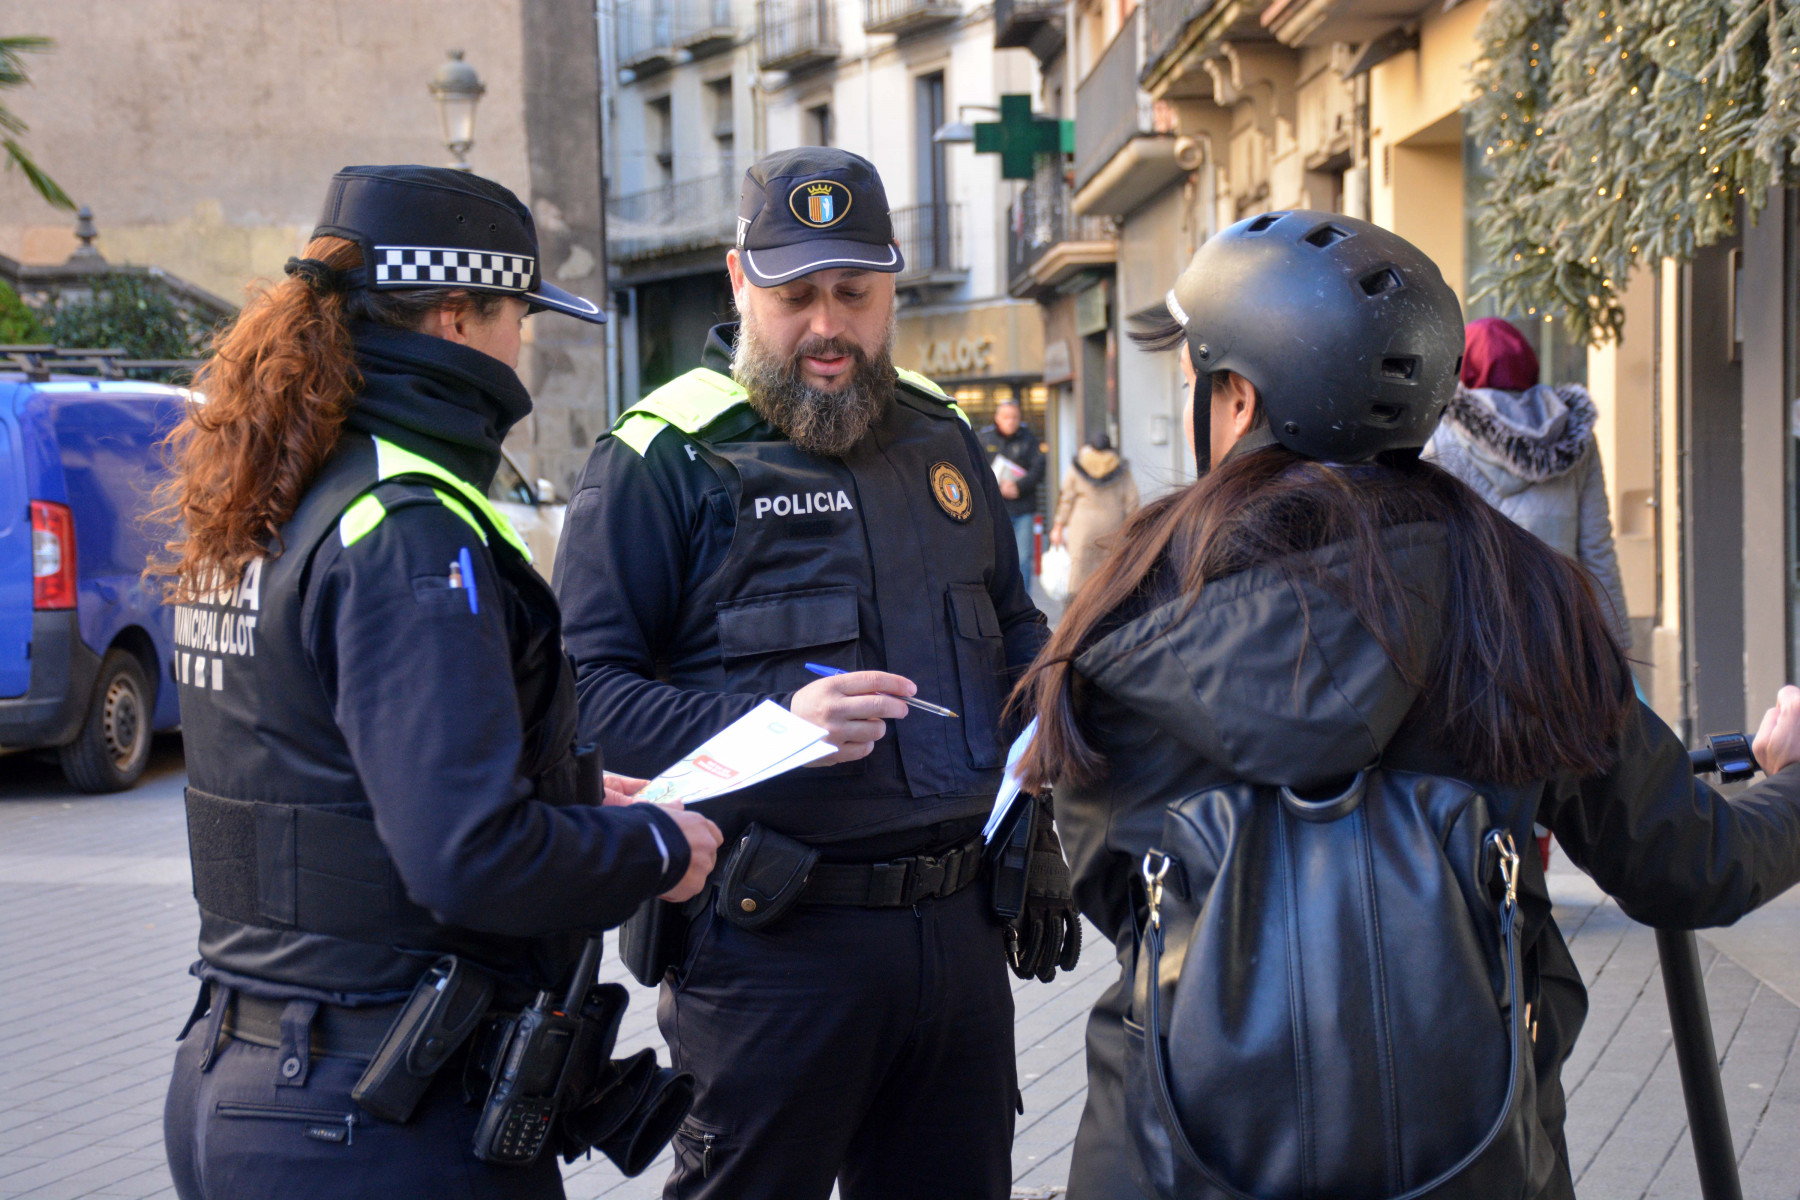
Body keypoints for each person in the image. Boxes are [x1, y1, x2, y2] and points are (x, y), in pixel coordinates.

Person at [1009, 211, 1800, 1200]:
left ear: (1240, 398)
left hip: (1168, 1157)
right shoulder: (1525, 602)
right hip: (1477, 1158)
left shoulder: (1127, 608)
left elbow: (1112, 884)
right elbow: (1689, 868)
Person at [154, 165, 722, 1200]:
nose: (523, 348)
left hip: (246, 1078)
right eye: (520, 318)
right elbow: (468, 856)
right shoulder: (405, 526)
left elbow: (334, 777)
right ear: (459, 315)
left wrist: (567, 799)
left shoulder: (283, 497)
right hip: (373, 1113)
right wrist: (655, 847)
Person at [554, 147, 1075, 1200]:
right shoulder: (661, 458)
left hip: (961, 933)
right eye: (795, 297)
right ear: (739, 283)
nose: (827, 326)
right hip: (772, 948)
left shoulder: (943, 435)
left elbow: (1015, 626)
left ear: (892, 288)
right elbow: (580, 700)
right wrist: (778, 725)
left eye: (854, 293)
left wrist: (1056, 720)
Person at [1425, 316, 1631, 643]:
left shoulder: (1440, 437)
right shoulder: (1574, 437)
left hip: (1478, 634)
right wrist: (1618, 646)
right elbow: (1597, 549)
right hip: (1560, 629)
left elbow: (1432, 552)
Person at [1049, 431, 1139, 594]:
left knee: (1079, 570)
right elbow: (1132, 501)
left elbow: (1066, 498)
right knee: (1109, 571)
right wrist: (1133, 526)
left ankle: (1076, 605)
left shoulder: (1078, 466)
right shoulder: (1121, 469)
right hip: (1112, 526)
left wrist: (1058, 526)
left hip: (1082, 526)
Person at [978, 396, 1046, 592]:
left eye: (1015, 417)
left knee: (1023, 557)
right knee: (996, 557)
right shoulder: (984, 438)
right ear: (997, 418)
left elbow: (1038, 469)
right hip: (994, 508)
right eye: (1006, 417)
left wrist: (1019, 487)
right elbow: (976, 469)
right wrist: (997, 488)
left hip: (1023, 509)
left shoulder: (1029, 439)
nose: (1010, 421)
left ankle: (1023, 599)